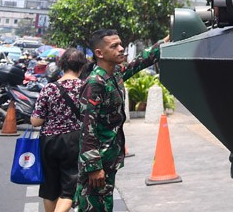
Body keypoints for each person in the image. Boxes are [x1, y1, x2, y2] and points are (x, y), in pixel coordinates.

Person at [74, 30, 166, 211]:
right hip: (98, 162)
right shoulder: (95, 83)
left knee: (104, 205)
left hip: (109, 158)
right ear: (99, 53)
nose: (121, 48)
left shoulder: (114, 74)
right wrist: (93, 166)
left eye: (121, 44)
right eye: (114, 46)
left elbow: (140, 61)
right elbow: (87, 126)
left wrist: (165, 41)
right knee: (92, 207)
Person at [30, 48, 88, 212]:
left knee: (50, 188)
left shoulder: (49, 88)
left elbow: (36, 121)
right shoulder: (86, 88)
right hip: (74, 141)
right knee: (69, 189)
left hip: (49, 141)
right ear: (82, 66)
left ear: (61, 65)